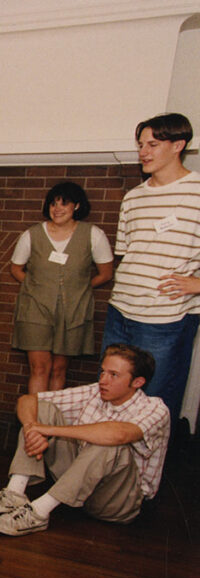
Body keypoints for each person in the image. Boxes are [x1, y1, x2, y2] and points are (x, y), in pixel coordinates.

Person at [0, 344, 169, 536]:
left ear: (137, 382)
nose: (103, 380)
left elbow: (118, 434)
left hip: (115, 502)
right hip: (79, 485)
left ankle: (38, 513)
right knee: (42, 409)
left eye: (113, 375)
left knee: (109, 443)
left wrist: (49, 429)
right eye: (102, 372)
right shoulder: (96, 391)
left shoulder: (155, 408)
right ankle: (14, 494)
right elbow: (27, 400)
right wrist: (32, 428)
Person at [102, 113, 200, 425]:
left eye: (153, 144)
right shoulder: (133, 197)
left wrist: (197, 285)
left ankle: (148, 474)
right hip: (120, 311)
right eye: (141, 144)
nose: (143, 151)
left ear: (178, 145)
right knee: (112, 393)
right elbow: (127, 254)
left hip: (164, 319)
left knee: (154, 400)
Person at [11, 181, 113, 393]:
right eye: (53, 204)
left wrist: (80, 289)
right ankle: (36, 422)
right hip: (35, 311)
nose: (57, 209)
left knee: (58, 368)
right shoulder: (31, 234)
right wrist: (36, 288)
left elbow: (106, 274)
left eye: (63, 204)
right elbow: (16, 269)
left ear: (76, 206)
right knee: (39, 367)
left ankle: (51, 422)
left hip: (72, 312)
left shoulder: (94, 234)